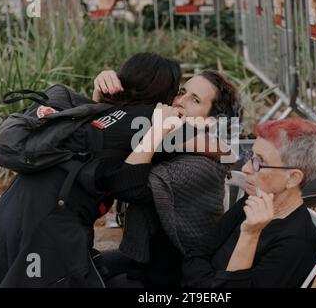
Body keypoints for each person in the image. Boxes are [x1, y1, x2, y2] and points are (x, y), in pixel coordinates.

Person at [0, 52, 183, 288]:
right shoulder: (150, 118)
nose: (181, 98)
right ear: (164, 90)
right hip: (48, 225)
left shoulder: (99, 110)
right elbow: (216, 145)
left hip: (13, 209)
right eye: (179, 91)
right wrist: (170, 125)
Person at [93, 68, 242, 288]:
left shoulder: (197, 166)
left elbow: (127, 184)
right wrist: (101, 99)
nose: (179, 101)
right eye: (181, 92)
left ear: (210, 121)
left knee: (78, 277)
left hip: (178, 277)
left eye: (195, 100)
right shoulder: (171, 143)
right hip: (148, 262)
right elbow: (108, 142)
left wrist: (156, 132)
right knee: (77, 267)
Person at [182, 118, 316, 288]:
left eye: (260, 161)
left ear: (293, 178)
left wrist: (250, 234)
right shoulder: (253, 199)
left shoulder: (299, 242)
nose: (246, 168)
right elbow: (196, 253)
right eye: (251, 157)